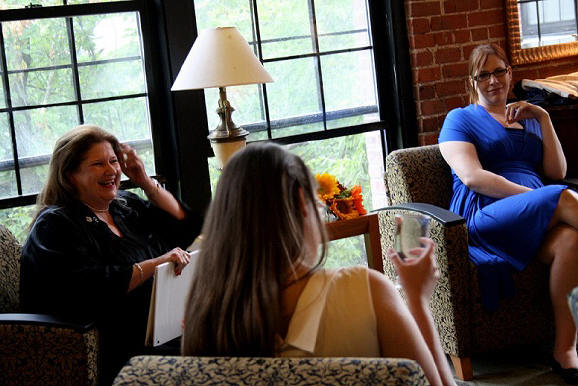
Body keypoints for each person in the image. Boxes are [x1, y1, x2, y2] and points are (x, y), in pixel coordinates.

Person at [181, 143, 456, 386]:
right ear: (302, 202)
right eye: (317, 202)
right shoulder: (364, 291)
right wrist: (418, 301)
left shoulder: (204, 319)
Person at [438, 43, 578, 384]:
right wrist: (538, 197)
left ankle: (565, 350)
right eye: (483, 74)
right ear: (472, 82)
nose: (492, 81)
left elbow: (556, 171)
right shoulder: (460, 119)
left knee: (571, 241)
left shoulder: (528, 117)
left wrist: (543, 118)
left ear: (509, 74)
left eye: (498, 71)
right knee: (564, 198)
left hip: (532, 214)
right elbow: (473, 177)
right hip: (487, 214)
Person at [20, 125, 202, 383]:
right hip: (109, 343)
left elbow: (184, 225)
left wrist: (145, 182)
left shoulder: (124, 206)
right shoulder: (55, 225)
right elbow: (87, 288)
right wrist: (155, 264)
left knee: (238, 335)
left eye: (114, 161)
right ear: (70, 174)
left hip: (162, 331)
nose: (112, 171)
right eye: (97, 164)